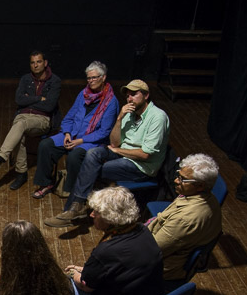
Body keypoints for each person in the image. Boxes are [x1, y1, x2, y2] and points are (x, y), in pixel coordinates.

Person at [45, 79, 170, 228]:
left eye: (134, 95)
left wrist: (118, 150)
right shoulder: (129, 114)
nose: (130, 99)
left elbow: (145, 155)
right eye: (128, 95)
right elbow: (114, 142)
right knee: (93, 153)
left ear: (146, 95)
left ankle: (73, 212)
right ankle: (77, 206)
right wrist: (119, 119)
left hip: (141, 166)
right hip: (123, 154)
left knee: (92, 169)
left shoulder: (157, 117)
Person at [65, 187, 163, 295]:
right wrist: (85, 270)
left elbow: (86, 286)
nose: (92, 215)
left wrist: (73, 273)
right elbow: (117, 268)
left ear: (110, 218)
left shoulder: (107, 251)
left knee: (65, 282)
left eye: (97, 212)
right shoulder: (142, 230)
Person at [33, 61, 118, 199]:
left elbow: (104, 132)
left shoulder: (111, 102)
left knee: (74, 156)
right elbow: (69, 117)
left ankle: (72, 190)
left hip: (91, 140)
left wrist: (80, 141)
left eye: (94, 77)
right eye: (89, 78)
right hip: (73, 134)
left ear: (103, 78)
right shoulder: (83, 94)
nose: (90, 81)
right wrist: (67, 133)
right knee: (45, 145)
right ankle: (46, 183)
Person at [0, 51, 61, 190]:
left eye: (39, 62)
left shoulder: (54, 81)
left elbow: (49, 106)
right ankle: (21, 173)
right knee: (20, 130)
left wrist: (28, 100)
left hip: (42, 119)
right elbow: (19, 99)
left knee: (20, 125)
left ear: (45, 63)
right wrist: (38, 98)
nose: (35, 65)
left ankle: (0, 158)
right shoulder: (25, 79)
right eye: (32, 62)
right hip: (23, 116)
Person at [148, 153, 222, 287]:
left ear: (200, 186)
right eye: (178, 175)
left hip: (160, 267)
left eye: (183, 179)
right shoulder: (201, 196)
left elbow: (152, 250)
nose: (176, 180)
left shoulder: (186, 219)